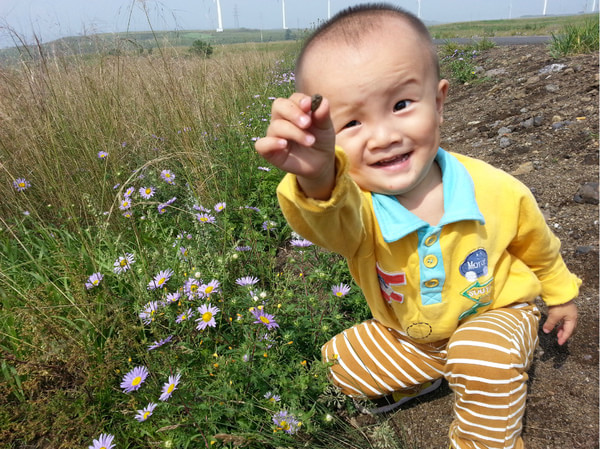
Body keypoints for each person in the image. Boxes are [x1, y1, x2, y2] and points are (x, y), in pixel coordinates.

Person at [255, 4, 581, 449]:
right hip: (414, 334)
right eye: (351, 123)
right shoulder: (355, 209)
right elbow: (328, 223)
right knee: (336, 364)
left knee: (481, 356)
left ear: (439, 102)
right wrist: (316, 178)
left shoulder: (495, 188)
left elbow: (537, 244)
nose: (384, 136)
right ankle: (433, 374)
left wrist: (561, 295)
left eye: (401, 105)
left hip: (497, 312)